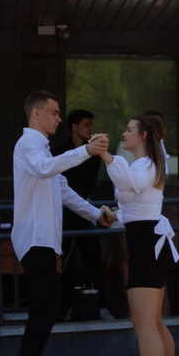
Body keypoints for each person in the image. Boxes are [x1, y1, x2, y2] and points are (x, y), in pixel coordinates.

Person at [2, 90, 109, 356]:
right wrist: (85, 150)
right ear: (36, 114)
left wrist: (96, 214)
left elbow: (62, 189)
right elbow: (47, 170)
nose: (59, 119)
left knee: (45, 314)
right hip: (35, 242)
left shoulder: (41, 149)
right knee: (42, 313)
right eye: (54, 113)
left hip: (43, 242)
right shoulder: (29, 146)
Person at [108, 111, 179, 356]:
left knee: (145, 326)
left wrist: (106, 158)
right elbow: (137, 203)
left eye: (128, 130)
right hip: (147, 241)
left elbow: (131, 183)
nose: (123, 134)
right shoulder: (145, 164)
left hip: (146, 247)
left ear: (142, 136)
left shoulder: (146, 163)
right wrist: (113, 216)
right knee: (155, 322)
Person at [62, 108, 117, 321]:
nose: (90, 129)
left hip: (85, 209)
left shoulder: (94, 156)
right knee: (65, 261)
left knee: (93, 259)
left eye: (91, 125)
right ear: (75, 127)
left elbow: (88, 184)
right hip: (66, 211)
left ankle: (101, 306)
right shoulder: (60, 152)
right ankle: (65, 307)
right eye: (87, 125)